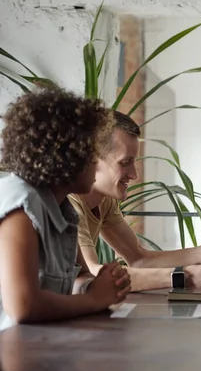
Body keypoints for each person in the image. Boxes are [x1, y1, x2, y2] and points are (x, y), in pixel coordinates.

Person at [69, 111, 201, 292]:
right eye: (125, 162)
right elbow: (93, 276)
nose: (134, 175)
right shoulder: (69, 204)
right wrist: (185, 276)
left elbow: (139, 259)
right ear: (91, 160)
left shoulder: (104, 201)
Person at [0, 88, 131, 327]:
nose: (96, 163)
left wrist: (101, 284)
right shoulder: (21, 204)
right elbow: (22, 305)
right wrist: (94, 299)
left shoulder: (64, 210)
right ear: (67, 154)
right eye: (92, 152)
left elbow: (77, 279)